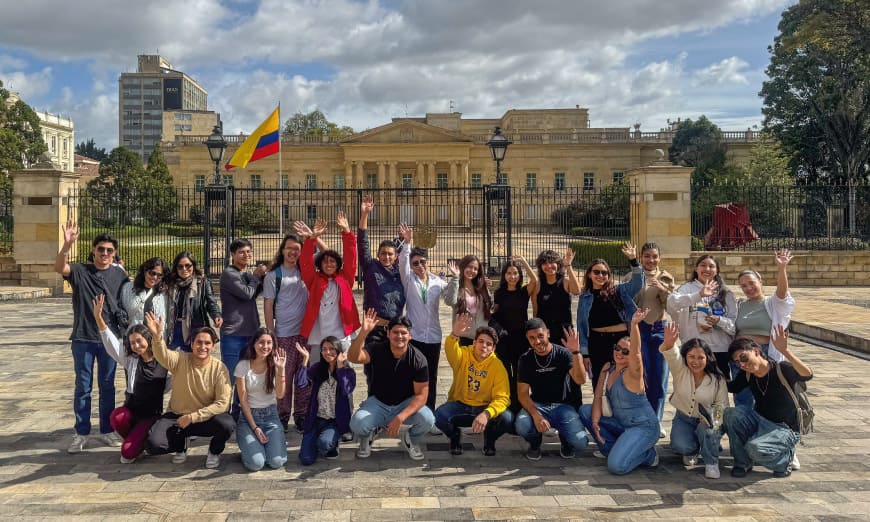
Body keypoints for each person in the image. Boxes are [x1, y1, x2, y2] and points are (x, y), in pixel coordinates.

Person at [55, 220, 130, 453]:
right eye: (101, 249)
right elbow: (60, 268)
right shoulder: (80, 271)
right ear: (94, 251)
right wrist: (67, 245)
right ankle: (81, 432)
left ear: (114, 254)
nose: (105, 253)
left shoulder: (119, 275)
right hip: (84, 337)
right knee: (83, 386)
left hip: (109, 338)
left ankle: (107, 430)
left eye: (109, 250)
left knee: (107, 386)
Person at [144, 313, 235, 469]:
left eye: (207, 343)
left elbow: (223, 403)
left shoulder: (219, 368)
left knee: (227, 424)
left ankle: (214, 451)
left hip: (204, 418)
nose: (203, 347)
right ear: (192, 344)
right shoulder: (180, 359)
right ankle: (180, 445)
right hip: (178, 417)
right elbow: (162, 355)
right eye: (198, 342)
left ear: (213, 346)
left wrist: (193, 417)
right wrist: (157, 336)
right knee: (153, 444)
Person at [579, 309, 660, 475]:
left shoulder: (633, 373)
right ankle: (615, 449)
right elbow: (597, 396)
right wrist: (595, 422)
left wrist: (634, 325)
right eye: (617, 348)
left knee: (616, 467)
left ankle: (648, 455)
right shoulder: (608, 368)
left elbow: (637, 353)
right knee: (585, 411)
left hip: (642, 427)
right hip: (621, 423)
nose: (620, 353)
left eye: (625, 352)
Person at [724, 326, 812, 478]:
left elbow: (807, 374)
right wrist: (706, 367)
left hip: (785, 428)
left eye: (744, 358)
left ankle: (785, 460)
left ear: (756, 352)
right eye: (738, 362)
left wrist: (785, 351)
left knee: (754, 449)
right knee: (731, 414)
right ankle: (742, 463)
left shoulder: (781, 369)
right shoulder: (747, 375)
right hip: (761, 421)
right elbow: (731, 387)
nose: (742, 364)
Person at [348, 310, 434, 460]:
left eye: (403, 333)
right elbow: (353, 357)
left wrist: (401, 417)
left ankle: (411, 439)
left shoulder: (418, 360)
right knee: (357, 424)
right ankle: (368, 435)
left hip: (404, 403)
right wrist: (364, 332)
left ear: (410, 335)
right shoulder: (376, 349)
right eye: (395, 332)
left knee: (428, 420)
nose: (399, 336)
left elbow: (422, 395)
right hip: (378, 402)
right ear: (388, 334)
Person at [93, 295, 169, 463]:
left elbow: (178, 374)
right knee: (117, 417)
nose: (136, 346)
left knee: (127, 454)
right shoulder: (131, 360)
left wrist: (158, 336)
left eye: (139, 341)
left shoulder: (163, 362)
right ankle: (135, 439)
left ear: (148, 340)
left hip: (150, 416)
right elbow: (110, 343)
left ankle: (138, 440)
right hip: (132, 412)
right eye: (132, 342)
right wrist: (99, 319)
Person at [435, 314, 513, 456]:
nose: (484, 346)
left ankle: (489, 439)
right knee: (439, 416)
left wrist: (487, 414)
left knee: (507, 418)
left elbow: (503, 398)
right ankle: (455, 436)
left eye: (489, 344)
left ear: (493, 348)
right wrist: (454, 334)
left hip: (484, 407)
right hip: (461, 405)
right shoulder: (464, 354)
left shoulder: (498, 366)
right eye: (481, 341)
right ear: (474, 342)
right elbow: (451, 350)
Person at [659, 323, 729, 479]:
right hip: (684, 418)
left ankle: (711, 461)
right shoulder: (680, 369)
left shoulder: (717, 380)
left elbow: (722, 406)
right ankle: (696, 449)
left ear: (707, 358)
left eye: (700, 357)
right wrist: (670, 343)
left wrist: (714, 426)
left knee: (707, 432)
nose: (695, 361)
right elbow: (672, 355)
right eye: (691, 357)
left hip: (707, 421)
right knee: (680, 446)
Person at [514, 318, 589, 461]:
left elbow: (580, 380)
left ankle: (565, 440)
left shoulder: (563, 354)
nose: (537, 341)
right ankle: (535, 444)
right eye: (532, 338)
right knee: (521, 424)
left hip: (563, 406)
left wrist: (576, 353)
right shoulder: (525, 359)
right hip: (539, 405)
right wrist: (536, 416)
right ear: (527, 339)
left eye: (540, 336)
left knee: (581, 443)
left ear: (548, 333)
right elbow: (522, 394)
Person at [576, 243, 644, 389]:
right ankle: (600, 411)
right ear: (589, 274)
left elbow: (638, 283)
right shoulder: (585, 297)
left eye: (604, 273)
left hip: (619, 340)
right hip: (597, 342)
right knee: (599, 383)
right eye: (597, 272)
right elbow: (582, 327)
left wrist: (633, 260)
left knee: (622, 380)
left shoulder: (618, 291)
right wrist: (585, 354)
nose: (601, 276)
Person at [397, 223, 448, 415]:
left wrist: (462, 280)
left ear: (428, 262)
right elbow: (402, 262)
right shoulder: (409, 280)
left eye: (422, 262)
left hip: (433, 336)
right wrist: (407, 244)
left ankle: (429, 412)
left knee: (431, 376)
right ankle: (411, 411)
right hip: (415, 336)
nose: (420, 266)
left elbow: (454, 296)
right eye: (415, 263)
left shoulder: (437, 281)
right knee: (412, 375)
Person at [296, 213, 360, 363]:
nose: (329, 264)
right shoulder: (314, 280)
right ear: (319, 265)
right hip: (318, 335)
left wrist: (347, 232)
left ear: (338, 264)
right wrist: (312, 238)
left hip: (341, 334)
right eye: (325, 262)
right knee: (317, 374)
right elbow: (305, 262)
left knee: (343, 373)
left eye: (332, 261)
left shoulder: (345, 279)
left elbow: (351, 258)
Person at [262, 234, 311, 432]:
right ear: (282, 250)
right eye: (289, 248)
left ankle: (301, 414)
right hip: (283, 334)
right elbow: (268, 304)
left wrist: (311, 237)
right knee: (284, 376)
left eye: (297, 249)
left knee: (303, 376)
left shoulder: (305, 272)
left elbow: (328, 255)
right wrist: (271, 334)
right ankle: (282, 415)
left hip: (306, 333)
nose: (293, 252)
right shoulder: (274, 275)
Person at [667, 255, 737, 390]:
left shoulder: (726, 293)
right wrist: (698, 295)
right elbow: (671, 305)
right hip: (693, 350)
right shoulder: (686, 289)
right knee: (691, 392)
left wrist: (720, 321)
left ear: (717, 270)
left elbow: (734, 327)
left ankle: (718, 412)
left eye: (711, 266)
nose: (707, 269)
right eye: (703, 265)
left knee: (719, 394)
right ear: (696, 268)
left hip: (719, 351)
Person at [626, 242, 675, 433]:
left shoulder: (666, 277)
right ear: (641, 257)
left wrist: (663, 289)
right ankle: (643, 417)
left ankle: (656, 419)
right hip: (639, 329)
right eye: (647, 256)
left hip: (659, 328)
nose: (651, 260)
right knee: (641, 375)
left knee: (659, 377)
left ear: (659, 258)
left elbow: (671, 304)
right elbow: (627, 303)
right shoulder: (632, 276)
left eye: (654, 256)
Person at [220, 238, 267, 418]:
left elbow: (255, 292)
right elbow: (248, 293)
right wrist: (255, 276)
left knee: (245, 378)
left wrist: (259, 278)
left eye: (248, 252)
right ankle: (223, 413)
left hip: (250, 333)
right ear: (232, 255)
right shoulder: (229, 274)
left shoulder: (246, 274)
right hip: (234, 334)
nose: (246, 255)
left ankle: (239, 413)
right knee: (230, 378)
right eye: (241, 252)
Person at [295, 337, 357, 465]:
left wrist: (340, 367)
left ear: (339, 350)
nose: (328, 352)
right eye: (324, 349)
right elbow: (301, 384)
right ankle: (316, 441)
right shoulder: (318, 369)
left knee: (325, 444)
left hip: (333, 422)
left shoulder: (348, 371)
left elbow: (346, 390)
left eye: (331, 349)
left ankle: (331, 442)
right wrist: (305, 359)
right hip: (315, 420)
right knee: (306, 459)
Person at [235, 328, 288, 471]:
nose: (265, 347)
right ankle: (248, 450)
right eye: (261, 342)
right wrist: (255, 427)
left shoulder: (275, 364)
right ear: (254, 344)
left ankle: (269, 445)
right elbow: (243, 400)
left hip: (271, 416)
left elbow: (280, 394)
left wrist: (281, 369)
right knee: (256, 464)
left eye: (269, 343)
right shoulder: (243, 366)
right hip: (248, 418)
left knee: (276, 462)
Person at [491, 256, 538, 413]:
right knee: (505, 372)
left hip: (520, 338)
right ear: (504, 275)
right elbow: (494, 314)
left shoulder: (524, 292)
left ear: (519, 275)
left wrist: (524, 262)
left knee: (520, 372)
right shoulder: (499, 293)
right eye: (509, 273)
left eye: (515, 273)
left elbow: (535, 280)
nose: (512, 276)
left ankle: (520, 405)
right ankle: (508, 404)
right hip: (504, 339)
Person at [357, 194, 405, 347]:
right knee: (374, 369)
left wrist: (405, 240)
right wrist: (364, 214)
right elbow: (362, 243)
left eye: (390, 254)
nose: (386, 257)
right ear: (378, 255)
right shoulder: (371, 267)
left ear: (396, 256)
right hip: (374, 330)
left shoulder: (401, 272)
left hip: (396, 330)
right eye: (383, 253)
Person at [735, 249, 796, 362]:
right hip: (739, 355)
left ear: (760, 282)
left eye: (752, 283)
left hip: (765, 353)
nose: (748, 288)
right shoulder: (739, 305)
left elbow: (782, 293)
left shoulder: (772, 303)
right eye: (744, 286)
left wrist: (782, 268)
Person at [166, 251, 222, 352]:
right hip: (174, 328)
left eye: (188, 265)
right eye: (180, 266)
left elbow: (211, 302)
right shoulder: (170, 283)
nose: (184, 269)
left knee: (195, 361)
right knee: (176, 362)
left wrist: (216, 315)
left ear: (193, 265)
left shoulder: (202, 282)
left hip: (195, 326)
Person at [530, 249, 580, 345]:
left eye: (552, 262)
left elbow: (577, 291)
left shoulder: (565, 281)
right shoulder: (538, 285)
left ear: (558, 264)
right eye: (545, 263)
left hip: (564, 333)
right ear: (540, 267)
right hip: (544, 333)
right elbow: (535, 312)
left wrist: (568, 266)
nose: (549, 266)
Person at [444, 255, 493, 345]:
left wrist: (485, 288)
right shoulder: (456, 284)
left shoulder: (480, 285)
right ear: (463, 266)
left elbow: (490, 305)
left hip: (481, 338)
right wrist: (455, 278)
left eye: (475, 269)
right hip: (463, 337)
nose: (472, 271)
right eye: (469, 267)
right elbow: (450, 301)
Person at [121, 257, 170, 337]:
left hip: (155, 340)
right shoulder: (127, 288)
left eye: (159, 275)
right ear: (145, 271)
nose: (155, 277)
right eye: (152, 273)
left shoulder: (165, 293)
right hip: (134, 340)